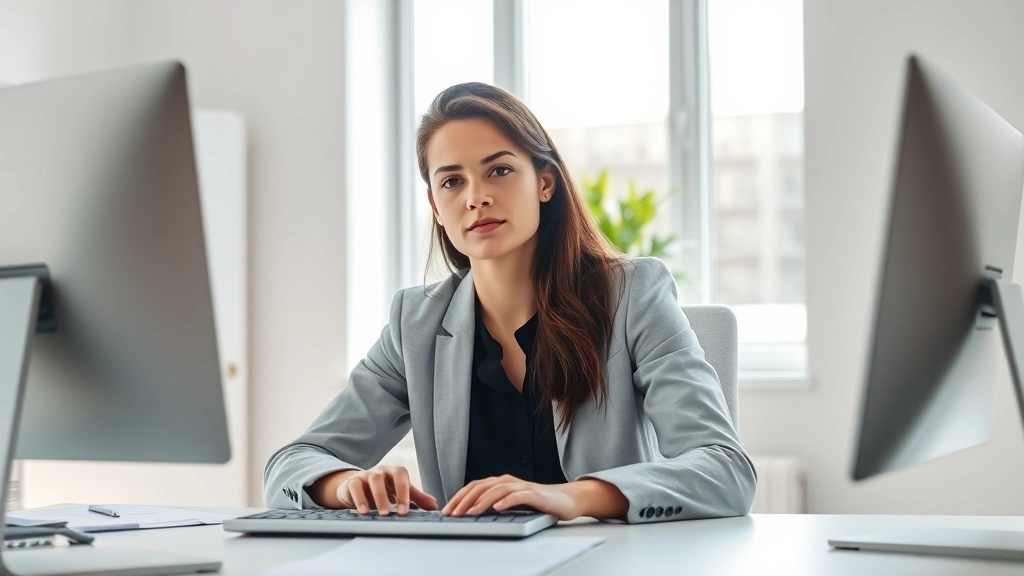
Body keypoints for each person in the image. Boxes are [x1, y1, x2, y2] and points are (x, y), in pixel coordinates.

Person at [263, 82, 756, 523]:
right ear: (436, 207)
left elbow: (725, 468)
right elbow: (292, 463)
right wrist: (344, 485)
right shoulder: (415, 324)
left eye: (498, 170)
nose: (476, 197)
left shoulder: (632, 294)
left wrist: (576, 497)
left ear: (544, 182)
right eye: (452, 181)